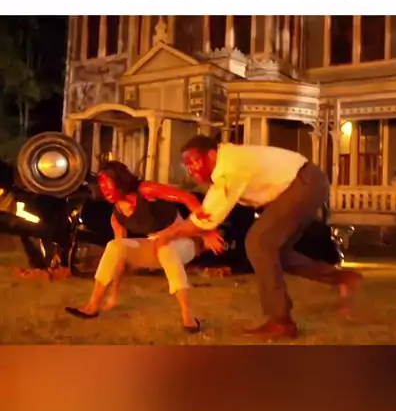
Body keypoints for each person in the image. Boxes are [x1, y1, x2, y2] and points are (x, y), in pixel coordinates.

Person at [146, 135, 362, 340]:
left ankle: (280, 321)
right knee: (276, 253)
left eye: (194, 161)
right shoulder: (226, 165)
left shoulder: (230, 168)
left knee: (259, 242)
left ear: (211, 155)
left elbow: (207, 218)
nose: (191, 169)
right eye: (187, 165)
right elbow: (207, 212)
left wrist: (169, 234)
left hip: (304, 184)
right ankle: (342, 278)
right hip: (302, 184)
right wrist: (178, 231)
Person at [65, 160, 222, 333]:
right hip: (154, 245)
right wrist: (114, 295)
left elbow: (188, 198)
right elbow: (118, 260)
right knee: (115, 246)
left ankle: (187, 313)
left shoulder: (146, 190)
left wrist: (207, 230)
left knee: (165, 248)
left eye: (108, 184)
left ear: (120, 181)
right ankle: (93, 305)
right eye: (102, 186)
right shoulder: (117, 216)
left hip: (184, 241)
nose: (105, 190)